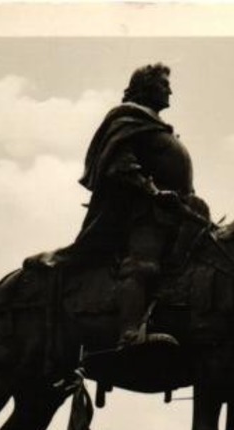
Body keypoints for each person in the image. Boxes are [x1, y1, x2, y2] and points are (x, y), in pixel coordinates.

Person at [69, 63, 210, 346]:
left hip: (178, 210)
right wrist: (154, 192)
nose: (169, 90)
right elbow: (120, 165)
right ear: (145, 88)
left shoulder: (154, 125)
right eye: (163, 85)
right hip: (144, 211)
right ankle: (130, 332)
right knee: (143, 264)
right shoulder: (127, 119)